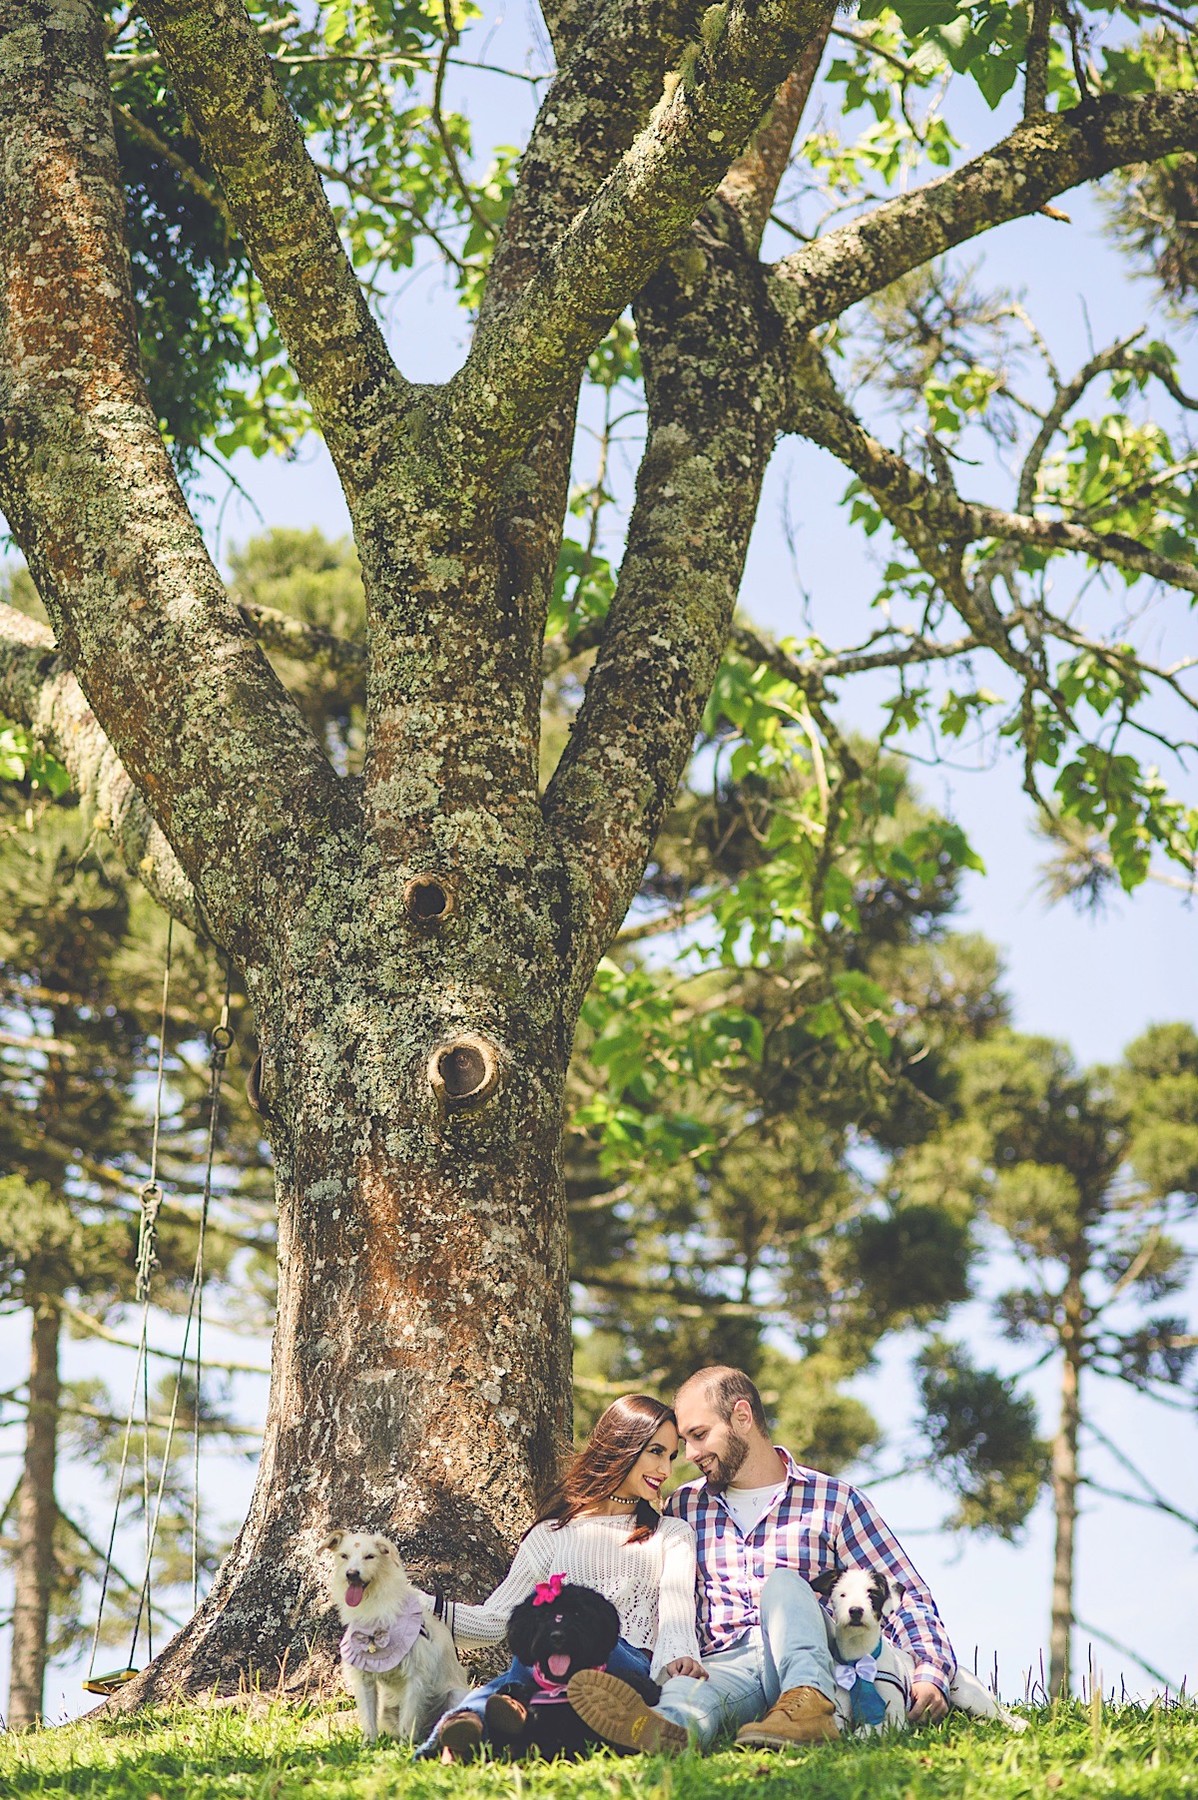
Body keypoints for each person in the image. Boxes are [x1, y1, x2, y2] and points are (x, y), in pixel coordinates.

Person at [567, 1365, 957, 1755]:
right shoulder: (684, 1506)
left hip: (818, 1663)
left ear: (742, 1416)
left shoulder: (833, 1501)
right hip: (727, 1664)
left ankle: (811, 1708)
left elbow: (903, 1593)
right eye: (685, 1441)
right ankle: (664, 1730)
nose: (690, 1455)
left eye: (699, 1436)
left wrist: (929, 1672)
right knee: (687, 1690)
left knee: (785, 1585)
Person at [414, 1393, 703, 1760]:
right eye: (656, 1452)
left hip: (622, 1667)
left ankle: (480, 1717)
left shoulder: (670, 1533)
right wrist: (417, 1606)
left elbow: (677, 1609)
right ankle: (483, 1726)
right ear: (622, 1446)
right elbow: (498, 1620)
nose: (666, 1470)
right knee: (540, 1641)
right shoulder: (550, 1535)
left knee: (564, 1645)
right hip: (551, 1662)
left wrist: (679, 1657)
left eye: (672, 1456)